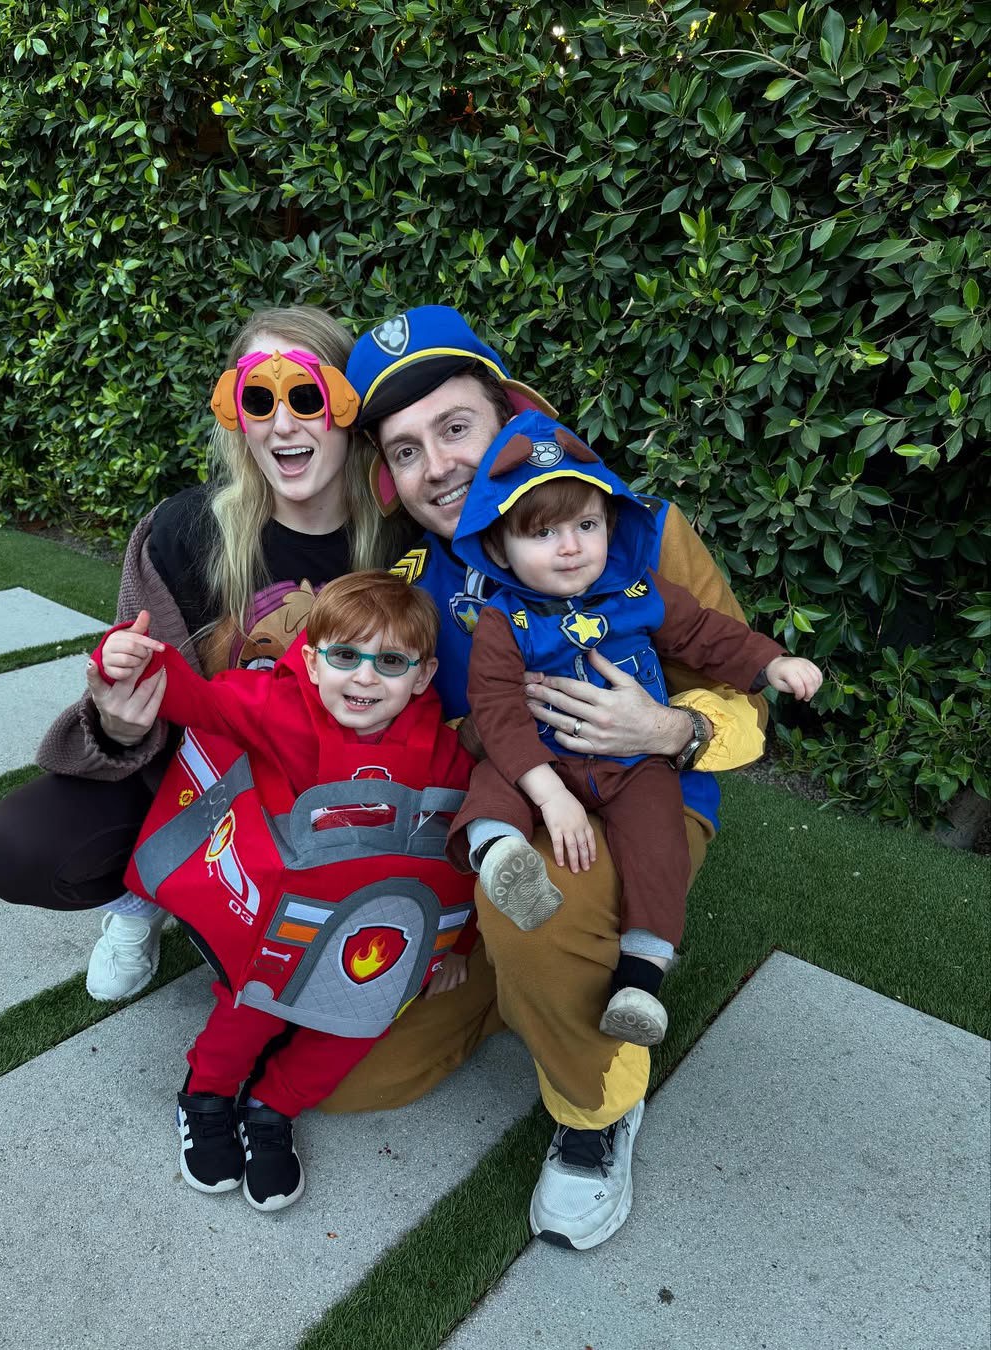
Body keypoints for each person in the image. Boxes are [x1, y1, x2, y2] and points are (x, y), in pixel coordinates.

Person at [311, 305, 771, 1254]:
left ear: (507, 412)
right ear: (387, 480)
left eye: (454, 428)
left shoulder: (633, 525)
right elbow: (412, 712)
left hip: (650, 792)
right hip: (506, 794)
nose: (436, 466)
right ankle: (509, 990)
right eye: (404, 451)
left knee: (539, 903)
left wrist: (670, 726)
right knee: (357, 1069)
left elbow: (738, 685)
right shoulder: (411, 576)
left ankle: (596, 1105)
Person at [0, 305, 401, 1000]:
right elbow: (134, 690)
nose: (283, 424)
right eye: (257, 399)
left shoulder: (400, 540)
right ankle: (141, 902)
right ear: (236, 414)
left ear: (347, 408)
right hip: (198, 785)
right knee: (16, 846)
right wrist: (118, 721)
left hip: (338, 797)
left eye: (306, 396)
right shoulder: (184, 532)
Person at [92, 572, 476, 1210]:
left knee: (362, 1023)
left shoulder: (444, 754)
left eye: (390, 663)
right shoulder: (278, 707)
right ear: (310, 659)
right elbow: (196, 700)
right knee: (254, 1004)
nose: (364, 679)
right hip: (281, 921)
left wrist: (460, 945)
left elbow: (467, 851)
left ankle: (273, 1107)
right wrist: (130, 656)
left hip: (383, 929)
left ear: (423, 675)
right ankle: (208, 1092)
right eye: (345, 657)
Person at [443, 410, 822, 1047]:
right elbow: (500, 714)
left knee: (657, 832)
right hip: (543, 757)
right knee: (492, 777)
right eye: (542, 533)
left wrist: (770, 662)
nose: (570, 546)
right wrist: (550, 795)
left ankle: (641, 975)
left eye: (586, 526)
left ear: (608, 526)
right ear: (496, 546)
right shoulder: (502, 623)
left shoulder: (635, 591)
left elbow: (704, 633)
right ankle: (499, 852)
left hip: (630, 759)